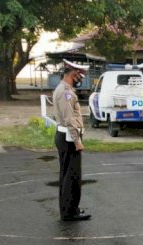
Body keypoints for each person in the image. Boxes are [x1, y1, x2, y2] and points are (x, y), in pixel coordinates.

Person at [53, 59, 91, 221]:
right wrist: (77, 140)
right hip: (69, 138)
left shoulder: (65, 89)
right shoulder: (65, 92)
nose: (80, 78)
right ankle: (69, 212)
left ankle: (70, 209)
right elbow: (69, 119)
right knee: (71, 176)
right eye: (79, 75)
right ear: (73, 73)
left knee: (69, 174)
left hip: (67, 136)